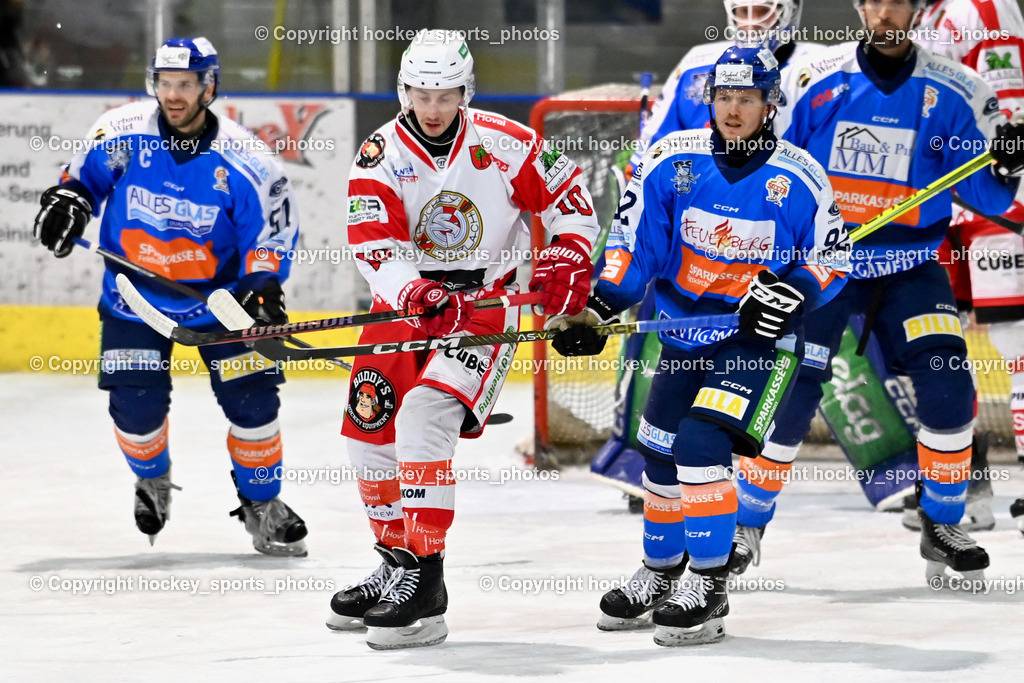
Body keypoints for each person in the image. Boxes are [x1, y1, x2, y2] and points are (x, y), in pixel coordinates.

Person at [552, 45, 849, 645]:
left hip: (757, 343)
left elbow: (833, 259)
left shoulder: (801, 177)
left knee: (698, 442)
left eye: (747, 99)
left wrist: (792, 290)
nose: (733, 110)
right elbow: (635, 245)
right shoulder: (668, 161)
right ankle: (661, 571)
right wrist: (603, 305)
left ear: (770, 105)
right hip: (683, 335)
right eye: (723, 97)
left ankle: (709, 582)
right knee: (657, 456)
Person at [325, 29, 600, 650]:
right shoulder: (378, 156)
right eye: (421, 93)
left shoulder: (508, 142)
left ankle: (427, 580)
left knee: (424, 415)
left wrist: (568, 257)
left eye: (445, 94)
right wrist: (413, 293)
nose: (431, 107)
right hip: (408, 304)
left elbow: (572, 204)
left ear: (464, 92)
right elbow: (375, 246)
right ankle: (397, 563)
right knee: (367, 436)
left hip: (485, 307)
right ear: (404, 90)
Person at [754, 0, 1024, 583]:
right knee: (790, 394)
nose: (884, 12)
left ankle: (942, 522)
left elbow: (991, 199)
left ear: (914, 8)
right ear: (859, 7)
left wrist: (1004, 169)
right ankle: (746, 525)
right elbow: (769, 172)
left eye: (896, 0)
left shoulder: (961, 89)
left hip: (909, 264)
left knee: (951, 386)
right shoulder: (810, 80)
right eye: (873, 1)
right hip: (826, 265)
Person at [32, 37, 308, 557]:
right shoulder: (123, 133)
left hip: (221, 302)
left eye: (185, 84)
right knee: (135, 409)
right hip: (133, 300)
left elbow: (268, 239)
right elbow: (82, 182)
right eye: (165, 83)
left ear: (209, 87)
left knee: (253, 405)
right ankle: (152, 481)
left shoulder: (248, 161)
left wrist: (263, 290)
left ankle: (263, 505)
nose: (173, 94)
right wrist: (68, 201)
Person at [916, 0, 1024, 535]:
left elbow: (1012, 112)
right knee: (942, 345)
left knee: (1014, 340)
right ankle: (966, 492)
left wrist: (1010, 182)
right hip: (943, 205)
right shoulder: (925, 14)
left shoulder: (982, 6)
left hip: (993, 200)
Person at [632, 0, 819, 174]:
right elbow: (651, 155)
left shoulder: (818, 69)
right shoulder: (695, 66)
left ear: (788, 12)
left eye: (763, 11)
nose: (752, 24)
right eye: (744, 12)